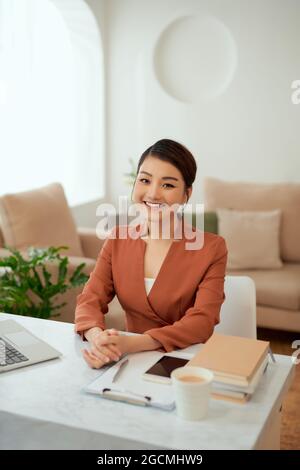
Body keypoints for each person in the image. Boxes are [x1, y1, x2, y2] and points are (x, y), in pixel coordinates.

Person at [75, 139, 228, 369]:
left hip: (186, 363)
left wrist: (132, 344)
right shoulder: (118, 239)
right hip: (127, 360)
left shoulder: (211, 248)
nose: (153, 194)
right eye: (145, 180)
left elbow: (202, 322)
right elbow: (89, 301)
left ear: (186, 194)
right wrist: (99, 339)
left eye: (167, 185)